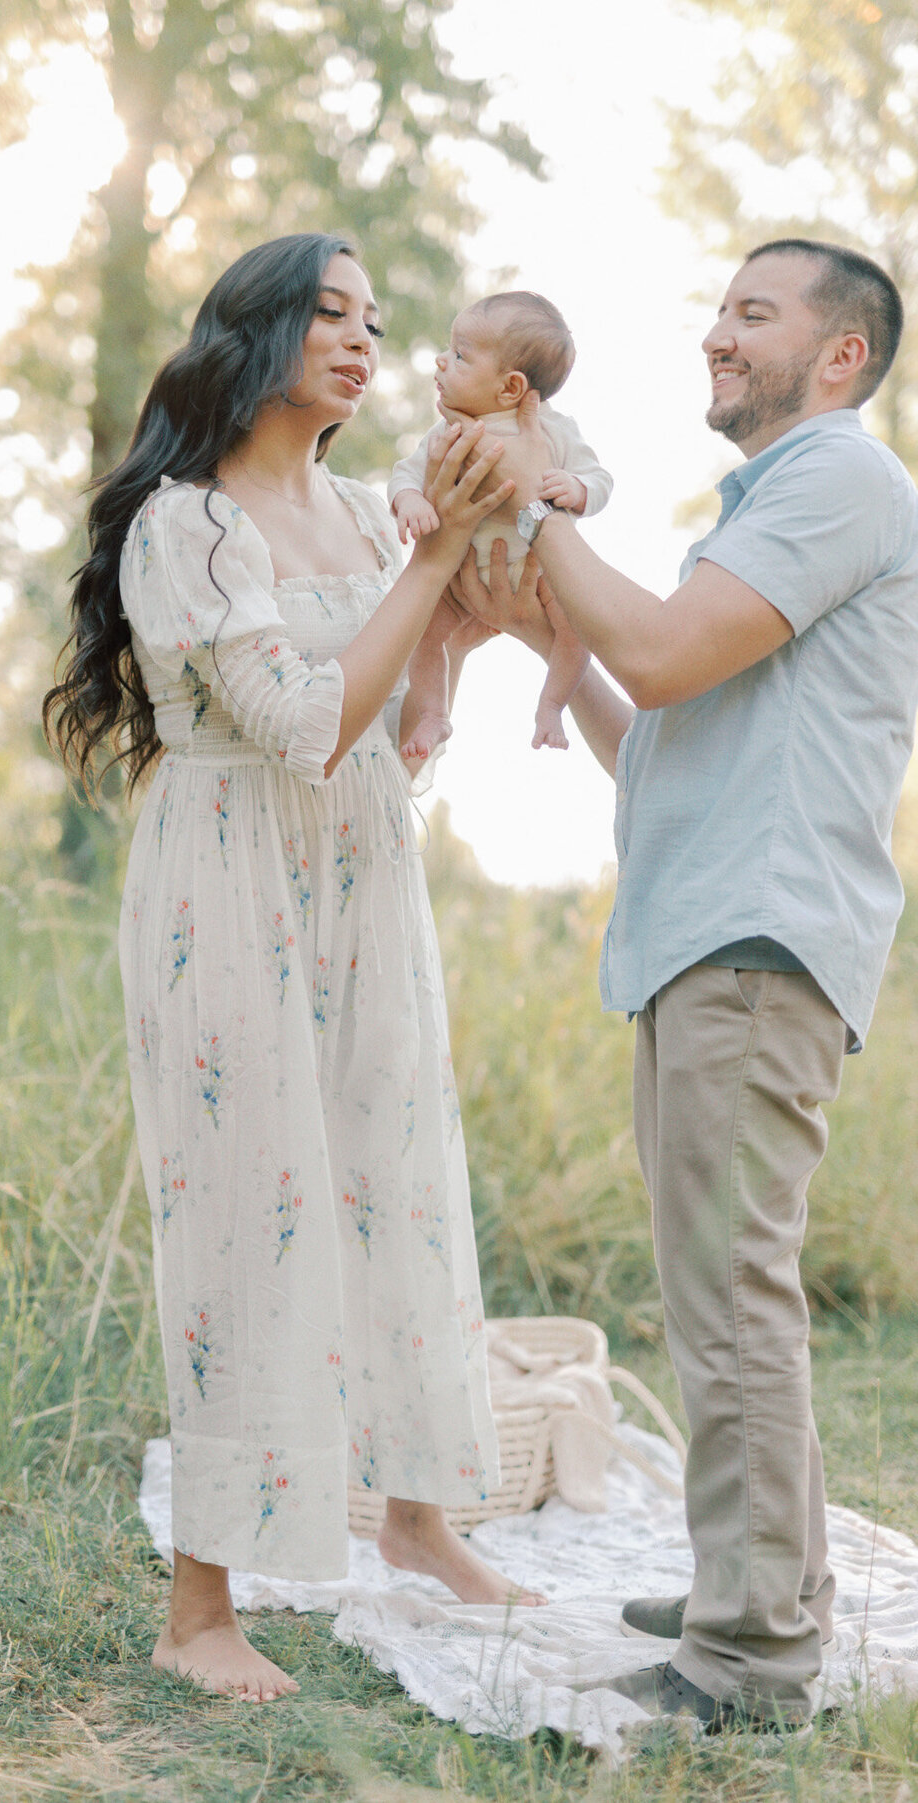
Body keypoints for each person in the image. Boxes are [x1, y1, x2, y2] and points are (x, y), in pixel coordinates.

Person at [44, 233, 545, 1706]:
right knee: (249, 1211)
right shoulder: (185, 524)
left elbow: (404, 680)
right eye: (330, 312)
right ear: (252, 333)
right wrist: (440, 562)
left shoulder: (352, 503)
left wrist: (486, 568)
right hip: (228, 875)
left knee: (396, 1167)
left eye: (376, 321)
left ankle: (417, 1516)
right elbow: (302, 719)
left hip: (363, 868)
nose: (362, 338)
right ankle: (199, 1604)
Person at [452, 239, 917, 1730]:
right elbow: (653, 730)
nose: (717, 334)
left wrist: (533, 503)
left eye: (754, 314)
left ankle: (753, 1658)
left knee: (732, 1304)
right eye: (720, 308)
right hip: (706, 939)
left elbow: (653, 652)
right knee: (719, 1298)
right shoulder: (770, 507)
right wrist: (551, 641)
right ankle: (758, 1586)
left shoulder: (843, 480)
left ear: (838, 356)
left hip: (756, 947)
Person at [387, 292, 611, 763]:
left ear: (510, 388)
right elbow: (406, 473)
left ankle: (551, 707)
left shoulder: (554, 430)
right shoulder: (446, 430)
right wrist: (409, 501)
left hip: (540, 573)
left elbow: (600, 478)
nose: (441, 361)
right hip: (460, 576)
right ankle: (433, 711)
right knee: (424, 632)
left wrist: (577, 488)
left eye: (460, 356)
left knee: (578, 630)